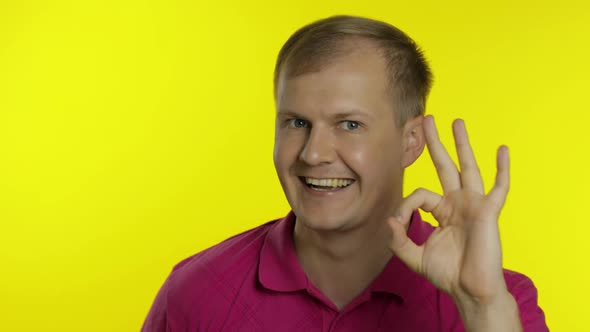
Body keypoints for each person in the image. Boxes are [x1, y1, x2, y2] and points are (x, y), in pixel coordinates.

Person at [141, 15, 548, 331]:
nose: (314, 153)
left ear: (410, 142)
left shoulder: (501, 302)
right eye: (297, 123)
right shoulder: (197, 293)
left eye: (349, 125)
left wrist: (482, 308)